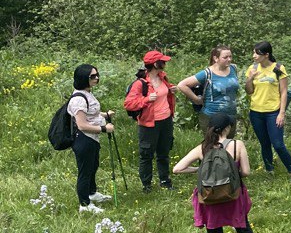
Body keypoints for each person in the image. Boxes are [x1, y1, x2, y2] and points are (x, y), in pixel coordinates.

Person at [172, 112, 261, 233]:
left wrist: (198, 170)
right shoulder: (237, 145)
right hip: (232, 194)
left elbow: (177, 169)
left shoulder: (203, 148)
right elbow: (246, 172)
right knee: (242, 226)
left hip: (209, 195)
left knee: (213, 228)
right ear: (227, 128)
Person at [123, 50, 177, 192]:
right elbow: (128, 104)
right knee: (146, 154)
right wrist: (147, 99)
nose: (165, 63)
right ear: (155, 64)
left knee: (164, 152)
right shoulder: (140, 84)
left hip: (166, 120)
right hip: (148, 124)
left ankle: (165, 180)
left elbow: (164, 95)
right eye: (162, 61)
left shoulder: (163, 77)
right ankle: (146, 184)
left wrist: (171, 91)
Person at [243, 41, 291, 184]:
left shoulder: (278, 68)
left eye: (257, 53)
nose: (254, 56)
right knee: (264, 143)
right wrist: (250, 78)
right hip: (256, 112)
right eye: (253, 52)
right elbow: (249, 91)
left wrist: (282, 113)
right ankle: (269, 171)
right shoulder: (252, 68)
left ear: (266, 55)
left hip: (273, 112)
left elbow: (284, 91)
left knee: (278, 144)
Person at [69, 64, 114, 212]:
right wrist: (103, 128)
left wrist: (104, 115)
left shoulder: (87, 93)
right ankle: (84, 204)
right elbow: (81, 124)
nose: (97, 78)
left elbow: (90, 113)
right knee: (85, 171)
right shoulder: (78, 99)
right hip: (84, 139)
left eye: (97, 75)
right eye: (92, 76)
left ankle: (92, 193)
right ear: (83, 78)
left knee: (93, 166)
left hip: (92, 139)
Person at [177, 46, 240, 129]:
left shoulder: (233, 68)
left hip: (231, 115)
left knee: (228, 142)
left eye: (230, 56)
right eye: (225, 57)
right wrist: (196, 99)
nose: (229, 59)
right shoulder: (207, 73)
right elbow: (182, 85)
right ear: (216, 58)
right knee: (213, 142)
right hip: (212, 116)